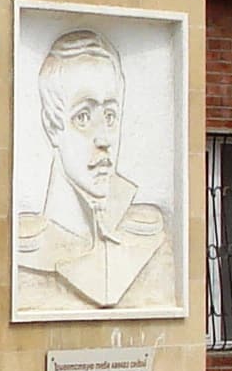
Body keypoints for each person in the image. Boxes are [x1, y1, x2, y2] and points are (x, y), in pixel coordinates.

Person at [14, 28, 180, 314]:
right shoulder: (23, 252)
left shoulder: (150, 242)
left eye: (110, 115)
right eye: (83, 117)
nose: (104, 139)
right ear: (53, 126)